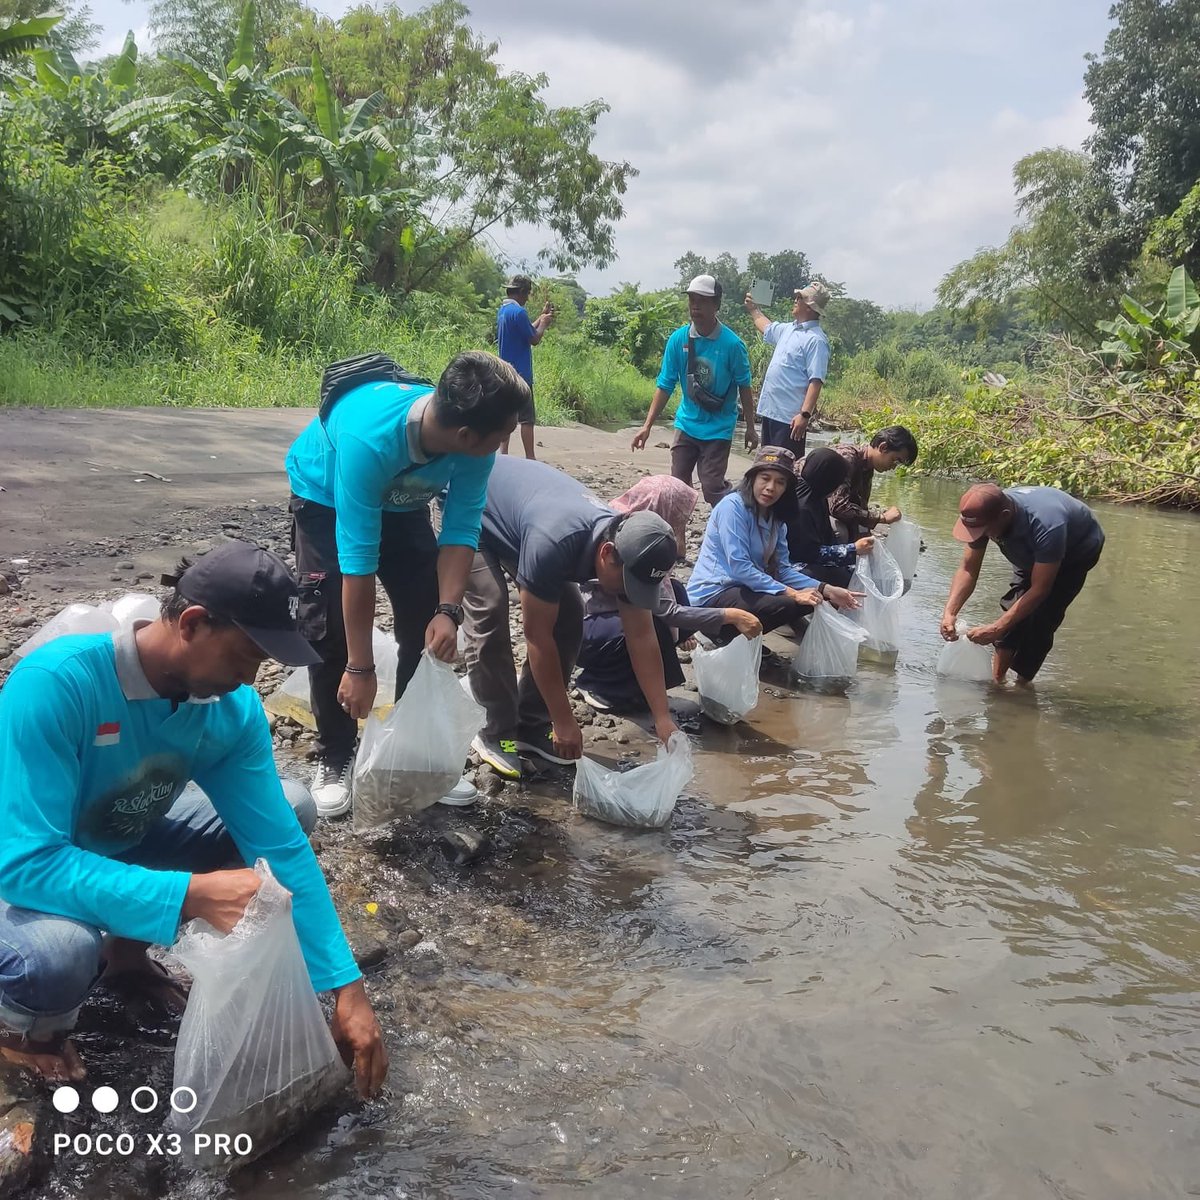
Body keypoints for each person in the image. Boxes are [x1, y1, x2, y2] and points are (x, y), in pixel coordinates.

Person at [0, 542, 388, 1096]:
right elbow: (25, 864)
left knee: (294, 807)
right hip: (19, 865)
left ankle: (125, 956)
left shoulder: (228, 710)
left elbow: (278, 845)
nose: (250, 680)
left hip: (117, 836)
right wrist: (189, 894)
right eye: (244, 658)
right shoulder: (59, 684)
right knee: (59, 955)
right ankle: (15, 1025)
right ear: (193, 623)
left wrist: (346, 988)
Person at [286, 351, 528, 818]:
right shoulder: (369, 438)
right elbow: (358, 564)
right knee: (328, 625)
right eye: (503, 436)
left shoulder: (474, 444)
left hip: (403, 499)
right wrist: (360, 669)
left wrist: (448, 611)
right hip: (325, 495)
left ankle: (414, 756)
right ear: (464, 435)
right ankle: (335, 755)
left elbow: (461, 528)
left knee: (424, 616)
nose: (505, 444)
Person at [462, 456, 683, 779]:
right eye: (628, 583)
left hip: (522, 517)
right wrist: (564, 719)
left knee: (570, 613)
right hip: (470, 504)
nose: (629, 594)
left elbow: (642, 636)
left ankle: (531, 727)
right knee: (490, 608)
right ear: (607, 554)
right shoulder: (556, 543)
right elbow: (537, 638)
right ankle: (497, 734)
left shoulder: (630, 547)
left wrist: (662, 717)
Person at [575, 476, 762, 712]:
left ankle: (641, 682)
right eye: (678, 514)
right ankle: (598, 684)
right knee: (652, 627)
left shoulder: (650, 535)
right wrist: (731, 615)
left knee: (676, 590)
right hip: (587, 627)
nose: (680, 521)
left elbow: (667, 588)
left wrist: (681, 633)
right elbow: (668, 612)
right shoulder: (622, 540)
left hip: (619, 613)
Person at [940, 483, 1105, 684]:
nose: (980, 535)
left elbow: (1040, 589)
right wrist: (950, 612)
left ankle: (1021, 686)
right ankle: (997, 681)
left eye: (984, 530)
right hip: (1031, 549)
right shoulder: (983, 514)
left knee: (1042, 619)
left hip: (1076, 551)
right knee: (1012, 610)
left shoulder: (1046, 524)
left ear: (1005, 515)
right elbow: (968, 569)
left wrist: (996, 628)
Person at [687, 447, 860, 634]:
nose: (771, 487)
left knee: (814, 598)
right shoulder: (733, 507)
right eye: (765, 478)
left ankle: (745, 641)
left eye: (780, 482)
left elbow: (783, 570)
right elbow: (740, 567)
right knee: (784, 603)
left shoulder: (777, 519)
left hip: (745, 588)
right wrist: (793, 593)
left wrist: (827, 590)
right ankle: (719, 636)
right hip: (715, 591)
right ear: (752, 478)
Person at [631, 274, 758, 505]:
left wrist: (750, 427)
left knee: (711, 488)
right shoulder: (678, 339)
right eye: (692, 300)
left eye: (703, 300)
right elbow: (665, 384)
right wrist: (646, 426)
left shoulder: (733, 345)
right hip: (687, 425)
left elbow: (744, 387)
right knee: (677, 486)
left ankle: (736, 509)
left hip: (718, 429)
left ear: (717, 305)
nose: (695, 306)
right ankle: (677, 537)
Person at [743, 283, 832, 457]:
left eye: (800, 298)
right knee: (768, 464)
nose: (795, 300)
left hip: (789, 419)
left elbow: (816, 381)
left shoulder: (816, 340)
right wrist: (754, 309)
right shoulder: (789, 329)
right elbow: (766, 328)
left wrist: (804, 416)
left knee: (784, 469)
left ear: (810, 306)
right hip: (771, 412)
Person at [786, 447, 875, 587]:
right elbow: (807, 553)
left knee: (852, 572)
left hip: (808, 556)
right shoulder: (801, 506)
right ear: (828, 480)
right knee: (825, 576)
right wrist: (852, 549)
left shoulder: (816, 498)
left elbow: (827, 540)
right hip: (790, 563)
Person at [496, 273, 555, 460]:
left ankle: (503, 454)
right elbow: (534, 338)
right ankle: (531, 458)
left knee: (506, 414)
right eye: (527, 294)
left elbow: (527, 329)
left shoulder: (504, 311)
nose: (527, 298)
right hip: (522, 374)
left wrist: (540, 318)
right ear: (521, 292)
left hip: (505, 373)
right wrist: (544, 324)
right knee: (527, 419)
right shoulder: (519, 312)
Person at [828, 426, 920, 540]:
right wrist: (882, 517)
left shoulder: (867, 468)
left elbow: (859, 507)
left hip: (820, 510)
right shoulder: (847, 458)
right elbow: (838, 508)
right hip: (805, 510)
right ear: (883, 447)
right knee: (840, 532)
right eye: (895, 460)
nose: (894, 467)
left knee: (864, 533)